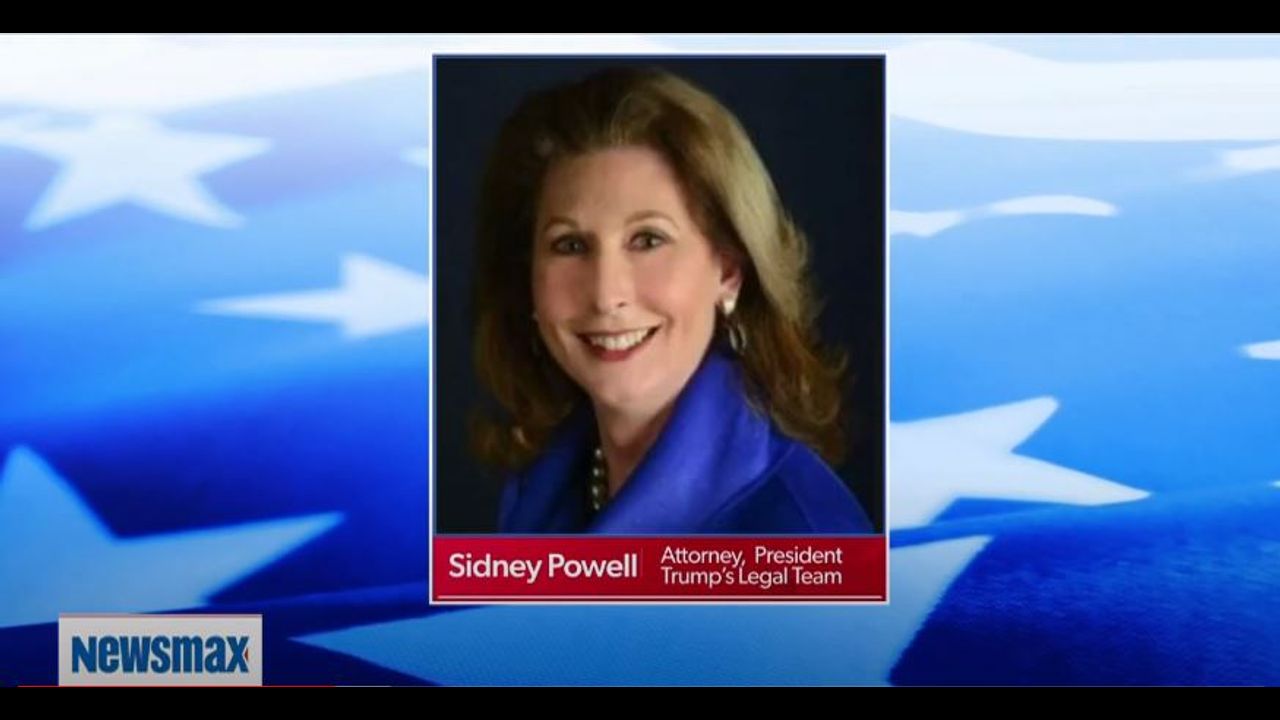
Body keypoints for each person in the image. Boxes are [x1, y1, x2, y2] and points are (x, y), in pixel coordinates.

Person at [469, 66, 873, 534]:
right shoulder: (539, 492)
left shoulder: (806, 535)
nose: (606, 295)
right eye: (570, 245)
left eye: (647, 240)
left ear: (728, 270)